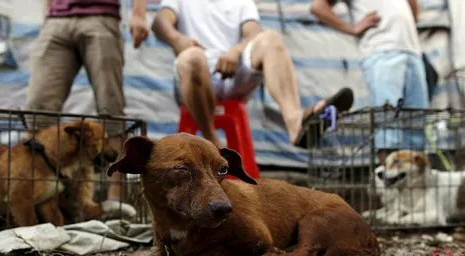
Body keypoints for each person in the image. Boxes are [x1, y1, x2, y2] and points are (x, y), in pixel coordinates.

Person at [152, 0, 354, 149]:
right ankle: (210, 139)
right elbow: (160, 21)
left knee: (271, 39)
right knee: (192, 57)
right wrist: (177, 39)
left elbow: (252, 32)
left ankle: (295, 122)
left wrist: (236, 50)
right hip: (193, 79)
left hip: (231, 77)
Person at [25, 0, 149, 201]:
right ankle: (33, 189)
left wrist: (138, 14)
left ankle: (115, 196)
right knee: (37, 109)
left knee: (111, 107)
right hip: (56, 20)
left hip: (101, 16)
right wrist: (47, 13)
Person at [311, 0, 429, 164]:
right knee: (388, 127)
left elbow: (414, 13)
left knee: (416, 126)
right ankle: (388, 183)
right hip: (381, 51)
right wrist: (352, 28)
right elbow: (318, 7)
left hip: (413, 52)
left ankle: (412, 186)